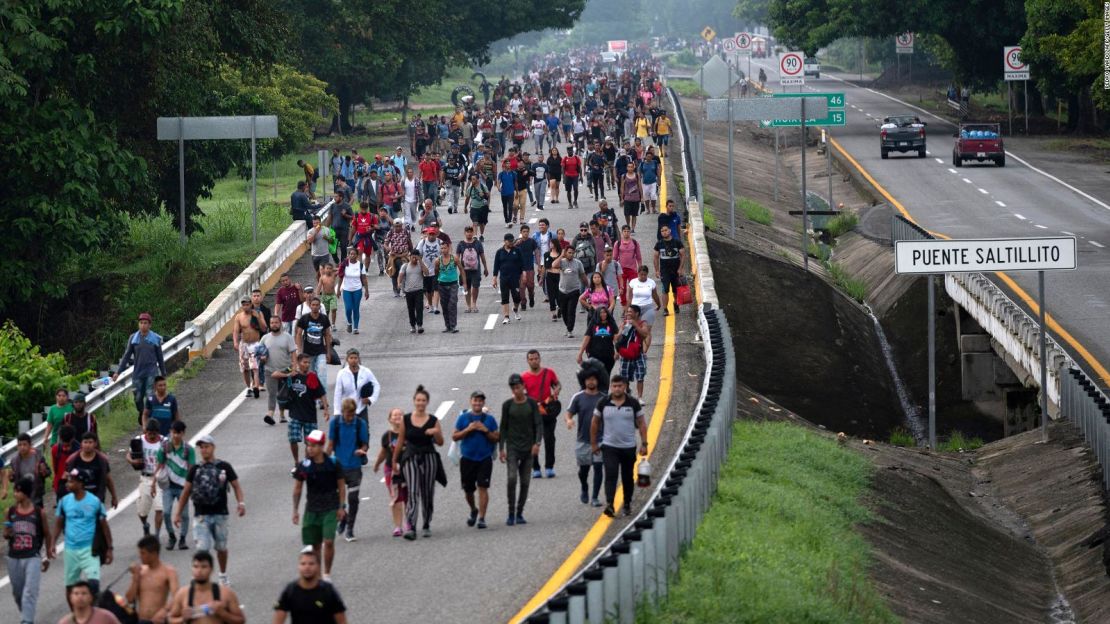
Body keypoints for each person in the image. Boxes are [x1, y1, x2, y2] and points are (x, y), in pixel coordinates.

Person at [171, 435, 245, 587]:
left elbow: (236, 485)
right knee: (202, 550)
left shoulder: (224, 467)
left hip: (220, 514)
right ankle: (203, 579)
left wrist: (241, 502)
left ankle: (223, 575)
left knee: (221, 548)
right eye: (201, 447)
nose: (204, 450)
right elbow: (186, 492)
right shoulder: (195, 469)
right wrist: (178, 513)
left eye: (206, 446)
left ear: (213, 447)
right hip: (201, 516)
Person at [391, 386, 445, 540]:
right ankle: (411, 526)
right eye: (418, 400)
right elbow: (400, 441)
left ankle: (426, 523)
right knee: (413, 491)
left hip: (429, 457)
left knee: (427, 492)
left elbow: (440, 443)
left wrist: (436, 432)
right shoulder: (406, 419)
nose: (420, 403)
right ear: (414, 401)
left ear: (427, 402)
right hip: (411, 458)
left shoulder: (433, 420)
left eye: (423, 400)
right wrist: (395, 461)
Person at [591, 375, 649, 518]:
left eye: (620, 386)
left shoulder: (633, 403)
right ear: (611, 387)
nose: (617, 389)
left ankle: (627, 503)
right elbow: (595, 422)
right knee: (610, 475)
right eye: (614, 386)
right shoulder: (603, 402)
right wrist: (593, 443)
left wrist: (644, 443)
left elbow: (641, 423)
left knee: (627, 476)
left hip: (628, 447)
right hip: (609, 446)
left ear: (625, 387)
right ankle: (610, 504)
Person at [292, 430, 346, 580]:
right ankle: (318, 576)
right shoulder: (304, 466)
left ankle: (327, 574)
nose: (310, 448)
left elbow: (341, 486)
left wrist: (342, 506)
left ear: (321, 446)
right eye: (309, 445)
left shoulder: (333, 463)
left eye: (314, 445)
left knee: (328, 541)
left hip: (330, 508)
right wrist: (295, 510)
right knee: (314, 546)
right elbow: (297, 489)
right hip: (312, 509)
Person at [53, 468, 113, 597]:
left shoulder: (94, 502)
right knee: (70, 588)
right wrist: (52, 544)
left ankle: (92, 612)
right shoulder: (64, 502)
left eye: (72, 482)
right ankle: (77, 614)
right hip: (70, 549)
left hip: (90, 549)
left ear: (81, 484)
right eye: (68, 481)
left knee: (93, 585)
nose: (68, 484)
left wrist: (109, 548)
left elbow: (104, 526)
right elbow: (58, 524)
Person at [6, 477, 52, 624]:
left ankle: (27, 621)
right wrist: (7, 533)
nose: (15, 494)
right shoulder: (11, 511)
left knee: (29, 593)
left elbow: (47, 534)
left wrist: (47, 555)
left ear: (25, 493)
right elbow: (6, 533)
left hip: (32, 556)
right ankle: (26, 613)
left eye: (17, 491)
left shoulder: (39, 512)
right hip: (14, 557)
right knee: (18, 593)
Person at [452, 391, 499, 530]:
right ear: (470, 401)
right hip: (467, 458)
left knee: (483, 487)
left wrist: (485, 430)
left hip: (484, 458)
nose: (477, 403)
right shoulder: (463, 418)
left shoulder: (490, 419)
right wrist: (468, 429)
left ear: (483, 402)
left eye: (480, 401)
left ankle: (482, 518)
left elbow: (497, 437)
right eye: (475, 400)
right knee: (468, 490)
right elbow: (454, 436)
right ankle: (473, 509)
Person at [499, 374, 541, 526]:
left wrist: (537, 443)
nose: (516, 390)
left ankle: (520, 512)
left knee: (525, 481)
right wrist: (501, 448)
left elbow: (538, 424)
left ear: (523, 387)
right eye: (513, 388)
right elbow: (503, 427)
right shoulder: (507, 405)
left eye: (518, 387)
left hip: (528, 448)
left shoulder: (531, 404)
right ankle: (511, 513)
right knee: (511, 479)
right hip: (512, 447)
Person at [273, 353, 329, 464]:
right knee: (293, 439)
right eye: (304, 362)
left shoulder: (312, 376)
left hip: (310, 415)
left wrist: (326, 409)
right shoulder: (292, 373)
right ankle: (296, 461)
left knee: (310, 443)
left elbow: (322, 393)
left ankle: (307, 462)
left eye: (308, 362)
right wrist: (288, 375)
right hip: (295, 414)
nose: (307, 365)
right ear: (298, 363)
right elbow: (274, 374)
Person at [326, 399, 369, 543]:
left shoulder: (359, 423)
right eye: (348, 414)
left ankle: (350, 529)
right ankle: (343, 518)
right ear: (343, 412)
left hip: (355, 467)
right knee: (336, 499)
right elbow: (331, 444)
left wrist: (362, 451)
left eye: (352, 414)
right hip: (338, 467)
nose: (350, 417)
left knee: (353, 499)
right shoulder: (335, 423)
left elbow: (365, 444)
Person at [113, 312, 167, 423]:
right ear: (138, 324)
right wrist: (118, 372)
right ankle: (142, 412)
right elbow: (126, 356)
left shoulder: (155, 339)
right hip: (138, 373)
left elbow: (160, 358)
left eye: (145, 323)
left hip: (151, 372)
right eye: (141, 323)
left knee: (149, 395)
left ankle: (149, 418)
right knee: (137, 398)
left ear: (149, 325)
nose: (143, 325)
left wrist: (163, 373)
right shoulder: (133, 338)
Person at [166, 550, 245, 623]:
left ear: (211, 569)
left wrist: (223, 613)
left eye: (204, 567)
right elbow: (170, 619)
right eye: (195, 566)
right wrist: (183, 618)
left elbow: (241, 620)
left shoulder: (226, 593)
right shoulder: (183, 594)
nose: (199, 571)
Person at [272, 550, 348, 624]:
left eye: (311, 564)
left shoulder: (328, 591)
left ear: (318, 567)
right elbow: (278, 618)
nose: (307, 567)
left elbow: (341, 620)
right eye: (303, 564)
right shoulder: (290, 590)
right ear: (298, 566)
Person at [566, 371, 605, 507]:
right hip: (583, 440)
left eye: (593, 379)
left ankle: (595, 497)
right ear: (584, 381)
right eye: (588, 380)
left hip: (600, 440)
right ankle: (584, 487)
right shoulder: (578, 397)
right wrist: (569, 420)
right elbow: (568, 413)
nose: (591, 382)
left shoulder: (604, 398)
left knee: (599, 468)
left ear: (598, 381)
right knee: (584, 470)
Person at [520, 350, 561, 479]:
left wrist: (556, 390)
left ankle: (549, 467)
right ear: (527, 361)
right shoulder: (524, 377)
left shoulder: (549, 373)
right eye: (531, 359)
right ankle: (535, 468)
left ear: (540, 359)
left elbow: (557, 384)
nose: (534, 361)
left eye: (536, 358)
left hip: (547, 411)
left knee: (549, 439)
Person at [155, 420, 194, 551]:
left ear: (183, 433)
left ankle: (182, 538)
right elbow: (159, 464)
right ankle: (172, 536)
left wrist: (192, 487)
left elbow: (191, 468)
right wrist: (153, 482)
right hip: (168, 486)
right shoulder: (165, 447)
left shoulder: (188, 450)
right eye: (173, 432)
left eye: (178, 433)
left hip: (183, 487)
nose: (175, 435)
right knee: (166, 512)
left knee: (184, 515)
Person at [125, 535, 178, 624]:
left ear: (154, 554)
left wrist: (164, 611)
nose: (140, 556)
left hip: (159, 621)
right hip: (141, 620)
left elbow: (177, 597)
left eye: (143, 553)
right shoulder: (140, 572)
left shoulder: (169, 572)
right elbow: (129, 599)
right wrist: (135, 578)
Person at [128, 420, 165, 541]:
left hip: (160, 479)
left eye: (154, 434)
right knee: (142, 511)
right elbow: (128, 455)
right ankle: (145, 525)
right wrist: (133, 461)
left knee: (159, 508)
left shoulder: (164, 442)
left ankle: (157, 535)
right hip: (145, 478)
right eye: (149, 433)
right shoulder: (138, 440)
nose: (151, 436)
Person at [372, 409, 407, 537]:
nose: (398, 416)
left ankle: (409, 522)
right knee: (396, 497)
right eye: (395, 415)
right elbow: (383, 452)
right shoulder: (387, 436)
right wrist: (376, 464)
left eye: (400, 414)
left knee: (408, 496)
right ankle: (398, 526)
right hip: (390, 470)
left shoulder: (409, 433)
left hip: (407, 468)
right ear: (390, 419)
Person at [261, 315, 298, 425]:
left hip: (285, 369)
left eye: (276, 322)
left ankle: (282, 415)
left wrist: (294, 368)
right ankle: (270, 414)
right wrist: (262, 358)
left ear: (280, 323)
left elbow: (293, 353)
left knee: (283, 394)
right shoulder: (265, 338)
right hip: (269, 371)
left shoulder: (287, 337)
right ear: (269, 324)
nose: (274, 325)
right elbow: (260, 353)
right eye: (272, 323)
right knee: (272, 393)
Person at [66, 432, 118, 507]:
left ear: (95, 444)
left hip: (97, 498)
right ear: (81, 443)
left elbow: (108, 479)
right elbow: (68, 479)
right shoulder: (73, 459)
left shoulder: (102, 460)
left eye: (90, 442)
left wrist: (114, 497)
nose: (87, 445)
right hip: (78, 499)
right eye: (85, 442)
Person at [231, 297, 266, 400]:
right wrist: (235, 343)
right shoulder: (239, 317)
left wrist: (258, 318)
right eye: (244, 304)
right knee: (245, 368)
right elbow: (236, 331)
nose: (246, 306)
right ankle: (248, 387)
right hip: (244, 344)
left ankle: (255, 386)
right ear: (242, 306)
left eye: (247, 304)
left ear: (251, 304)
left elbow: (264, 328)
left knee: (255, 367)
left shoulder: (257, 314)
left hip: (255, 344)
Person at [294, 297, 332, 391]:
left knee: (322, 372)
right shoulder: (304, 318)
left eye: (317, 305)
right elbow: (298, 334)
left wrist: (328, 352)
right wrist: (299, 351)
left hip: (320, 351)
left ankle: (322, 395)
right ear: (310, 306)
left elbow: (327, 335)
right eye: (313, 305)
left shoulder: (324, 318)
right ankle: (313, 396)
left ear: (320, 306)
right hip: (308, 352)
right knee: (311, 375)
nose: (315, 307)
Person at [618, 304, 653, 399]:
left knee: (640, 376)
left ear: (637, 314)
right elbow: (618, 338)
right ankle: (627, 390)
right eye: (627, 311)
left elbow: (645, 334)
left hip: (638, 354)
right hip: (625, 353)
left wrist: (636, 325)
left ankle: (640, 398)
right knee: (624, 376)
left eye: (630, 312)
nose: (628, 313)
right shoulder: (624, 323)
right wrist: (623, 329)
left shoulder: (643, 323)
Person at [7, 433, 50, 508]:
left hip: (37, 496)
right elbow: (15, 478)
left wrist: (44, 471)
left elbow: (47, 473)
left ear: (30, 445)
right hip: (21, 497)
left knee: (37, 518)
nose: (22, 447)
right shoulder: (14, 461)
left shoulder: (38, 457)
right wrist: (11, 477)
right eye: (20, 445)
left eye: (24, 444)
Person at [553, 245, 587, 338]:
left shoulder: (578, 263)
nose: (571, 254)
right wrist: (561, 255)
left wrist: (589, 287)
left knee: (571, 311)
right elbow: (554, 265)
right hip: (562, 291)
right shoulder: (562, 262)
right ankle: (568, 326)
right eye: (569, 252)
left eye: (572, 253)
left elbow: (583, 276)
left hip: (574, 290)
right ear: (565, 253)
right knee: (564, 311)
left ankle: (570, 330)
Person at [492, 233, 525, 325]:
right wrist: (494, 278)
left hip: (515, 278)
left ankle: (515, 309)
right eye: (509, 241)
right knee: (505, 297)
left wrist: (523, 276)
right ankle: (506, 316)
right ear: (505, 241)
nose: (511, 243)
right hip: (504, 278)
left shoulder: (517, 250)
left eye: (512, 241)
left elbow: (522, 264)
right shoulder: (499, 252)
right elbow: (496, 266)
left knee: (517, 297)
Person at [578, 306, 619, 378]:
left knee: (606, 375)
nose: (603, 314)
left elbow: (616, 339)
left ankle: (604, 389)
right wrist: (580, 353)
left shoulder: (611, 324)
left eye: (605, 312)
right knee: (595, 376)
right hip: (594, 354)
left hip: (608, 355)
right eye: (601, 313)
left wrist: (617, 352)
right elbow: (587, 337)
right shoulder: (593, 323)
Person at [654, 225, 686, 315]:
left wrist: (680, 268)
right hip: (665, 271)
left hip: (676, 271)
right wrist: (657, 270)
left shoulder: (677, 242)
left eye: (665, 230)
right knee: (665, 290)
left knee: (676, 290)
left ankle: (675, 304)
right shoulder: (659, 244)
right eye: (662, 231)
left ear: (670, 230)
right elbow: (655, 257)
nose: (664, 232)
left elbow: (683, 255)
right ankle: (665, 309)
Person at [336, 248, 369, 335]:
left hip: (357, 290)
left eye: (354, 254)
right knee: (348, 308)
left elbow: (364, 278)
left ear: (357, 256)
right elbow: (340, 277)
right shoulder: (344, 265)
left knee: (355, 308)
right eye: (350, 254)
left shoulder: (360, 265)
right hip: (346, 290)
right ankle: (349, 322)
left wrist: (366, 290)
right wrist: (338, 289)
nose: (352, 256)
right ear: (348, 255)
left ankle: (355, 328)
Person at [456, 226, 488, 314]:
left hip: (475, 269)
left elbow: (482, 256)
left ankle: (474, 304)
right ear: (464, 233)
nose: (469, 233)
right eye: (467, 232)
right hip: (464, 270)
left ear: (473, 233)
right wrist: (456, 268)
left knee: (476, 286)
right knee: (467, 288)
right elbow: (457, 258)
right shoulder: (461, 244)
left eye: (471, 232)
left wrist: (485, 267)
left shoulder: (477, 243)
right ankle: (468, 306)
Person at [399, 249, 429, 334]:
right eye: (413, 257)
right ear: (409, 257)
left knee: (419, 308)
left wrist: (420, 260)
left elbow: (426, 273)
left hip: (419, 290)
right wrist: (399, 283)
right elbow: (400, 276)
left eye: (416, 257)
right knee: (411, 309)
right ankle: (412, 325)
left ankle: (419, 325)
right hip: (408, 291)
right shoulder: (405, 266)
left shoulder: (421, 265)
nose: (414, 259)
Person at [434, 240, 461, 333]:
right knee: (444, 305)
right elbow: (436, 272)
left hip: (453, 283)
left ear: (448, 248)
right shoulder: (438, 260)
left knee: (452, 304)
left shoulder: (455, 258)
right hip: (442, 284)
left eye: (445, 248)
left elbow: (462, 270)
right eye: (441, 248)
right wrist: (437, 284)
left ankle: (453, 326)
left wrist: (464, 283)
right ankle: (448, 326)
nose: (443, 250)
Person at [51, 426, 80, 505]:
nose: (65, 449)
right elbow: (55, 469)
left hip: (76, 486)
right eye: (64, 445)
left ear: (73, 439)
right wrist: (57, 487)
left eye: (68, 445)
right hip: (61, 486)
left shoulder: (79, 451)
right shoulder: (55, 449)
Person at [614, 226, 642, 306]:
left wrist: (640, 268)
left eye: (628, 231)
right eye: (624, 231)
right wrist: (614, 270)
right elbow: (615, 258)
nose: (626, 233)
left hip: (632, 269)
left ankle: (632, 305)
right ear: (622, 232)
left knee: (634, 288)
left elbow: (639, 257)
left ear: (630, 232)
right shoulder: (618, 243)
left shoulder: (634, 243)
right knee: (622, 289)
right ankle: (624, 307)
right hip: (621, 270)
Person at [619, 159, 644, 233]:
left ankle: (633, 228)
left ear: (633, 167)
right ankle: (628, 226)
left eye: (631, 167)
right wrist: (622, 198)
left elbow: (640, 186)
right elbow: (622, 187)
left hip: (636, 198)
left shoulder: (637, 175)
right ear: (627, 168)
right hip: (627, 198)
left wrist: (642, 197)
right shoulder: (623, 176)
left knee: (634, 214)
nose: (630, 168)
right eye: (628, 167)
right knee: (627, 214)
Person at [639, 150, 661, 214]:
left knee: (653, 195)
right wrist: (639, 181)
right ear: (645, 157)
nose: (649, 158)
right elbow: (639, 172)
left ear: (652, 157)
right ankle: (648, 209)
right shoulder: (642, 164)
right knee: (646, 196)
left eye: (650, 157)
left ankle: (654, 209)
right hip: (645, 183)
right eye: (648, 156)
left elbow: (657, 171)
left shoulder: (654, 163)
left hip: (653, 182)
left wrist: (659, 180)